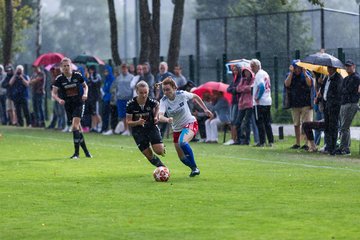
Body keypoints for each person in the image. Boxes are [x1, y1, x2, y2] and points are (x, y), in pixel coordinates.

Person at [158, 77, 213, 177]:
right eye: (164, 90)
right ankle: (193, 168)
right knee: (182, 157)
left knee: (182, 142)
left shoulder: (182, 94)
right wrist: (167, 119)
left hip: (190, 123)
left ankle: (195, 168)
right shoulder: (164, 101)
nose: (166, 92)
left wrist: (205, 109)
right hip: (176, 129)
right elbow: (160, 116)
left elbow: (196, 97)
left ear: (174, 88)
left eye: (168, 89)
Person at [51, 57, 91, 159]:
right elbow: (53, 93)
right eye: (64, 66)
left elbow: (85, 86)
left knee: (74, 126)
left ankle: (76, 154)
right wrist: (59, 99)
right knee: (78, 129)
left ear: (71, 66)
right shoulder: (59, 79)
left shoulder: (77, 75)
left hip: (78, 103)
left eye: (68, 65)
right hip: (68, 106)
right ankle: (87, 152)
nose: (66, 68)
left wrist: (85, 94)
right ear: (61, 68)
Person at [126, 80, 166, 168]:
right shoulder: (130, 105)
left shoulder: (151, 101)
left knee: (159, 151)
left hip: (151, 127)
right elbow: (128, 122)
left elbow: (157, 105)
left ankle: (162, 148)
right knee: (148, 155)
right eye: (141, 93)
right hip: (138, 131)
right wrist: (137, 122)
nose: (144, 95)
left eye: (145, 92)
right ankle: (162, 168)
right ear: (136, 92)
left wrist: (156, 116)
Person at [284, 59, 314, 150]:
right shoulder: (290, 75)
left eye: (299, 68)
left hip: (306, 103)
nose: (297, 69)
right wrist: (291, 73)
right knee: (296, 124)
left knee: (306, 124)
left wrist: (305, 73)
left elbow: (310, 84)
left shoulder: (305, 74)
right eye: (295, 67)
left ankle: (306, 143)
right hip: (295, 103)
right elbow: (287, 84)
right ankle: (297, 142)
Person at [336, 60, 360, 155]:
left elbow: (348, 90)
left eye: (349, 66)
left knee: (344, 127)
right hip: (344, 103)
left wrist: (344, 90)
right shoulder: (346, 78)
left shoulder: (356, 77)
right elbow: (341, 89)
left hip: (351, 103)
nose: (348, 68)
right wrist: (344, 90)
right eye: (346, 66)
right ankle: (345, 147)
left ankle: (344, 148)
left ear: (353, 66)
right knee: (345, 127)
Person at [250, 59, 274, 147]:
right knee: (267, 122)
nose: (251, 68)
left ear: (257, 66)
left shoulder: (258, 75)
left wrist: (257, 97)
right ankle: (271, 141)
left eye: (253, 66)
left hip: (260, 103)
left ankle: (262, 141)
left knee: (259, 122)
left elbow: (262, 87)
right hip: (268, 100)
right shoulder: (265, 73)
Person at [236, 66, 255, 145]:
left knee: (247, 122)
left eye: (247, 72)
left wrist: (243, 88)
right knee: (238, 122)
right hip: (241, 104)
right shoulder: (242, 80)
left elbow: (250, 89)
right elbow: (237, 89)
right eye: (245, 72)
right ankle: (239, 139)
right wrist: (245, 88)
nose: (246, 73)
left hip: (249, 104)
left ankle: (247, 140)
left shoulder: (253, 80)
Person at [224, 65, 242, 145]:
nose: (234, 72)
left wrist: (234, 90)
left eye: (236, 70)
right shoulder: (234, 80)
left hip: (238, 102)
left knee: (234, 121)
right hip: (233, 101)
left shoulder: (241, 79)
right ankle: (233, 138)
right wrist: (234, 90)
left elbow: (238, 89)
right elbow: (229, 89)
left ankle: (234, 139)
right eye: (233, 70)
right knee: (232, 120)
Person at [114, 63, 134, 136]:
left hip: (128, 98)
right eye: (122, 68)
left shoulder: (131, 77)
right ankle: (126, 130)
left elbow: (133, 89)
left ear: (127, 68)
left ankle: (130, 130)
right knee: (122, 115)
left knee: (129, 115)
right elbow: (116, 89)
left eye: (125, 68)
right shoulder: (118, 78)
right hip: (120, 98)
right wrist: (116, 97)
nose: (123, 69)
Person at [87, 65, 102, 132]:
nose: (90, 71)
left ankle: (100, 126)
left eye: (90, 70)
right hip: (91, 98)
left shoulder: (97, 76)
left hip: (96, 98)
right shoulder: (89, 77)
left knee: (96, 113)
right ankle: (93, 127)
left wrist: (91, 77)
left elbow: (95, 82)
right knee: (92, 113)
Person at [100, 65, 115, 133]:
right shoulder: (106, 79)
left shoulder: (112, 79)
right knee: (104, 114)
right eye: (105, 71)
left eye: (106, 71)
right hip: (105, 98)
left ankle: (107, 128)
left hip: (110, 99)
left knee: (108, 115)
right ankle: (104, 128)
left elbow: (110, 89)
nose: (105, 73)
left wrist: (104, 91)